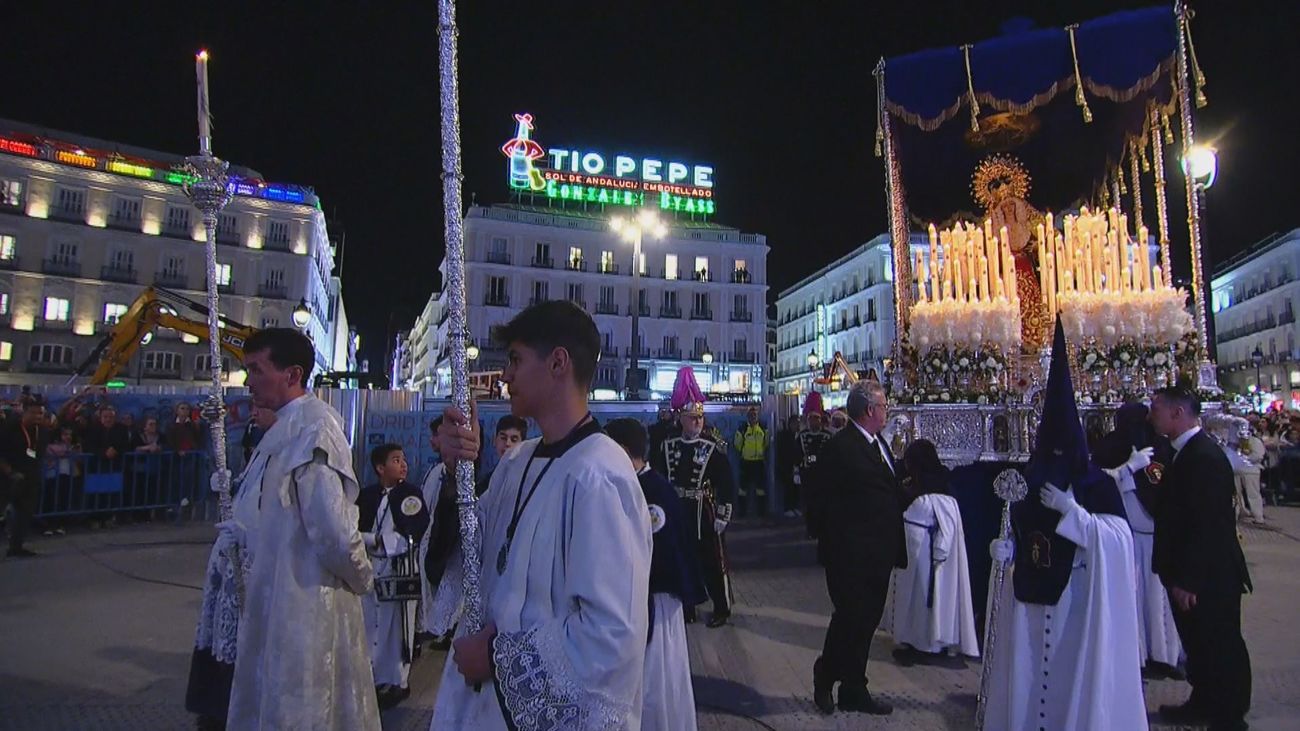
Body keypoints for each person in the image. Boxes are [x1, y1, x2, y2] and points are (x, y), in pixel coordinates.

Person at [430, 300, 651, 730]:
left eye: (515, 359)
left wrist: (497, 660)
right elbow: (474, 558)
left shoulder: (599, 475)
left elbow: (611, 635)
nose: (506, 375)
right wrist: (458, 475)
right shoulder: (517, 461)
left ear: (557, 363)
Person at [983, 321, 1146, 731]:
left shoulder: (1095, 484)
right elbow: (1016, 529)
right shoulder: (1029, 480)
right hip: (1030, 602)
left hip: (1078, 598)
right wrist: (1005, 553)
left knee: (1069, 680)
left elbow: (1118, 540)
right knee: (1030, 673)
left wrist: (1075, 514)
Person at [225, 327, 380, 730]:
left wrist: (363, 576)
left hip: (309, 600)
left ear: (292, 374)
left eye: (257, 370)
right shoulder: (283, 429)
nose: (248, 381)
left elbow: (331, 527)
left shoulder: (315, 428)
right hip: (280, 594)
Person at [1150, 385, 1253, 731]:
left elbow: (1207, 525)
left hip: (1209, 576)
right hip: (1190, 570)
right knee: (1198, 644)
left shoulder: (1203, 457)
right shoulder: (1182, 452)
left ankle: (1229, 716)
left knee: (1218, 643)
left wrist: (1189, 579)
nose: (1153, 416)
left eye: (1157, 409)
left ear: (1178, 413)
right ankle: (1205, 701)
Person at [811, 380, 905, 716]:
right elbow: (820, 501)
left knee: (866, 622)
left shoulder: (879, 443)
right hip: (850, 556)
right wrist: (835, 545)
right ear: (869, 410)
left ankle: (854, 687)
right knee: (849, 620)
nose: (887, 410)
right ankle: (825, 675)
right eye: (883, 406)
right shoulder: (841, 448)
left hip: (878, 552)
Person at [606, 417, 705, 731]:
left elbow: (659, 555)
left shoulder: (653, 492)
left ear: (623, 450)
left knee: (656, 684)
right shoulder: (632, 483)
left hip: (655, 603)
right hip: (634, 600)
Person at [185, 405, 277, 731]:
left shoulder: (288, 448)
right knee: (223, 638)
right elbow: (246, 488)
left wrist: (251, 536)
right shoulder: (261, 446)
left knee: (246, 642)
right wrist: (229, 483)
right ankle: (216, 707)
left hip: (257, 559)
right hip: (230, 556)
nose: (255, 412)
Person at [1092, 402, 1184, 679]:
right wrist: (1127, 469)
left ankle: (1165, 654)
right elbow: (1096, 480)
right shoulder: (1109, 449)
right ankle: (1136, 653)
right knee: (1132, 596)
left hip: (1157, 536)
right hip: (1127, 538)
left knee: (1159, 601)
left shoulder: (1161, 448)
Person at [653, 366, 736, 628]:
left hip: (704, 510)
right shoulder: (668, 447)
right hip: (678, 510)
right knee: (681, 560)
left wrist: (723, 514)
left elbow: (727, 483)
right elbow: (659, 479)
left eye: (700, 418)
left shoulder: (712, 448)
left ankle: (721, 607)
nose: (697, 422)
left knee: (712, 561)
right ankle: (687, 606)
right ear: (681, 420)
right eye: (692, 418)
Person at [885, 438, 978, 665]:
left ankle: (927, 645)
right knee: (924, 601)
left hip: (928, 554)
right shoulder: (935, 481)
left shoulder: (929, 487)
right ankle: (921, 640)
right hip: (923, 552)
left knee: (926, 601)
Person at [357, 443, 430, 709]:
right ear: (380, 468)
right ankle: (371, 678)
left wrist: (378, 541)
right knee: (369, 622)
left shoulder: (411, 495)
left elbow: (413, 532)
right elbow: (354, 529)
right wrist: (368, 541)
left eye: (404, 459)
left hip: (398, 567)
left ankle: (398, 681)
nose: (403, 465)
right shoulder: (366, 496)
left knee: (398, 627)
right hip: (369, 568)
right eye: (396, 460)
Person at [0, 398, 48, 557]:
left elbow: (35, 452)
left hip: (29, 478)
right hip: (6, 477)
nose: (37, 416)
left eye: (40, 413)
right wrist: (10, 472)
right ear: (24, 411)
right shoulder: (9, 427)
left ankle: (16, 547)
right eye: (33, 413)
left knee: (24, 514)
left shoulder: (40, 430)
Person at [798, 408, 832, 538]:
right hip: (808, 475)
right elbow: (797, 454)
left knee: (823, 504)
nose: (814, 422)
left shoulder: (827, 436)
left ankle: (822, 529)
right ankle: (811, 530)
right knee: (809, 504)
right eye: (811, 419)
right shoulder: (802, 436)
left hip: (823, 475)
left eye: (816, 419)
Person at [733, 406, 769, 519]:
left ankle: (761, 513)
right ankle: (742, 512)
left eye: (755, 415)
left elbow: (766, 443)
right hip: (746, 462)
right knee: (742, 489)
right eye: (751, 415)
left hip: (759, 462)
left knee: (761, 489)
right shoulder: (742, 429)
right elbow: (737, 445)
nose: (753, 417)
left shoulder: (763, 428)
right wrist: (746, 453)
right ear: (747, 416)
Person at [1236, 423, 1267, 524]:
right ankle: (1238, 513)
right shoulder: (1235, 441)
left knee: (1253, 494)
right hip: (1237, 470)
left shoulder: (1255, 441)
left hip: (1251, 471)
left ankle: (1258, 517)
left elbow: (1258, 456)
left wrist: (1244, 459)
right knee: (1236, 494)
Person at [776, 414, 801, 519]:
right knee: (788, 487)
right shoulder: (785, 436)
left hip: (795, 466)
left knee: (796, 488)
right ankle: (788, 508)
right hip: (786, 466)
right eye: (795, 423)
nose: (797, 425)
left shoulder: (798, 435)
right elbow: (783, 452)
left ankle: (794, 507)